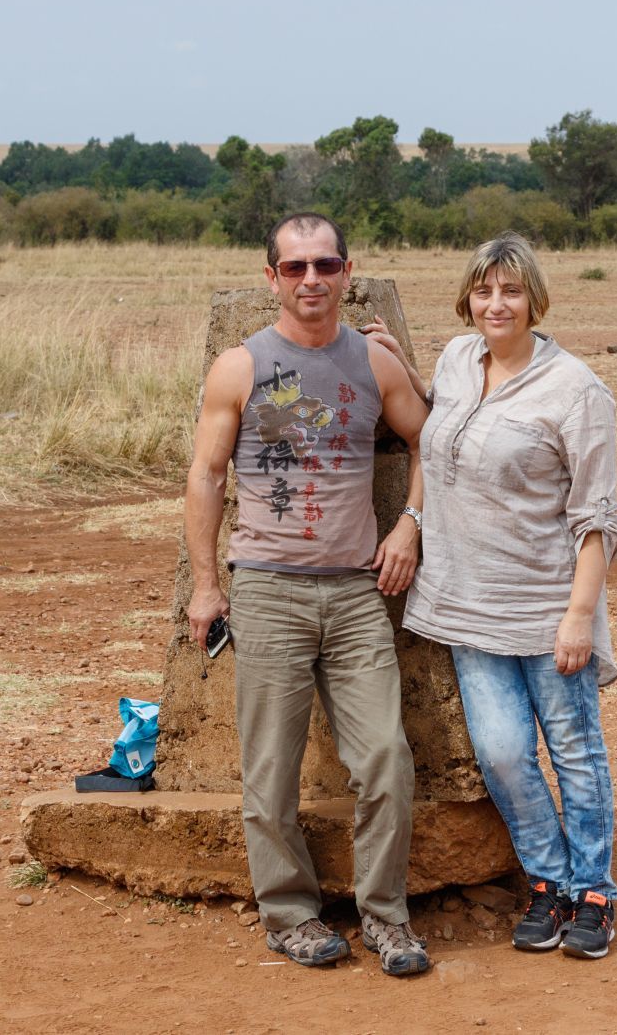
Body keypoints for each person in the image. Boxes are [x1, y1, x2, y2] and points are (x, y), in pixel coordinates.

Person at [184, 211, 431, 976]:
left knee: (387, 757)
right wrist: (205, 584)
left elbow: (434, 440)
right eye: (295, 268)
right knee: (269, 768)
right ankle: (288, 913)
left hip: (358, 591)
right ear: (272, 279)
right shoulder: (241, 365)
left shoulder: (373, 361)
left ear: (347, 273)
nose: (312, 280)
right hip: (267, 590)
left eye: (325, 266)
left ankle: (385, 917)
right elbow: (205, 475)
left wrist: (410, 526)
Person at [368, 231, 617, 960]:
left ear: (533, 298)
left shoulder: (576, 390)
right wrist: (393, 363)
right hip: (468, 605)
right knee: (505, 752)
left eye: (510, 290)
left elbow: (597, 516)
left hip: (547, 607)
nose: (496, 303)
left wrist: (580, 614)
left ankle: (595, 890)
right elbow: (435, 433)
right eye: (484, 290)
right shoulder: (456, 359)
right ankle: (547, 880)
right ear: (469, 297)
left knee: (573, 748)